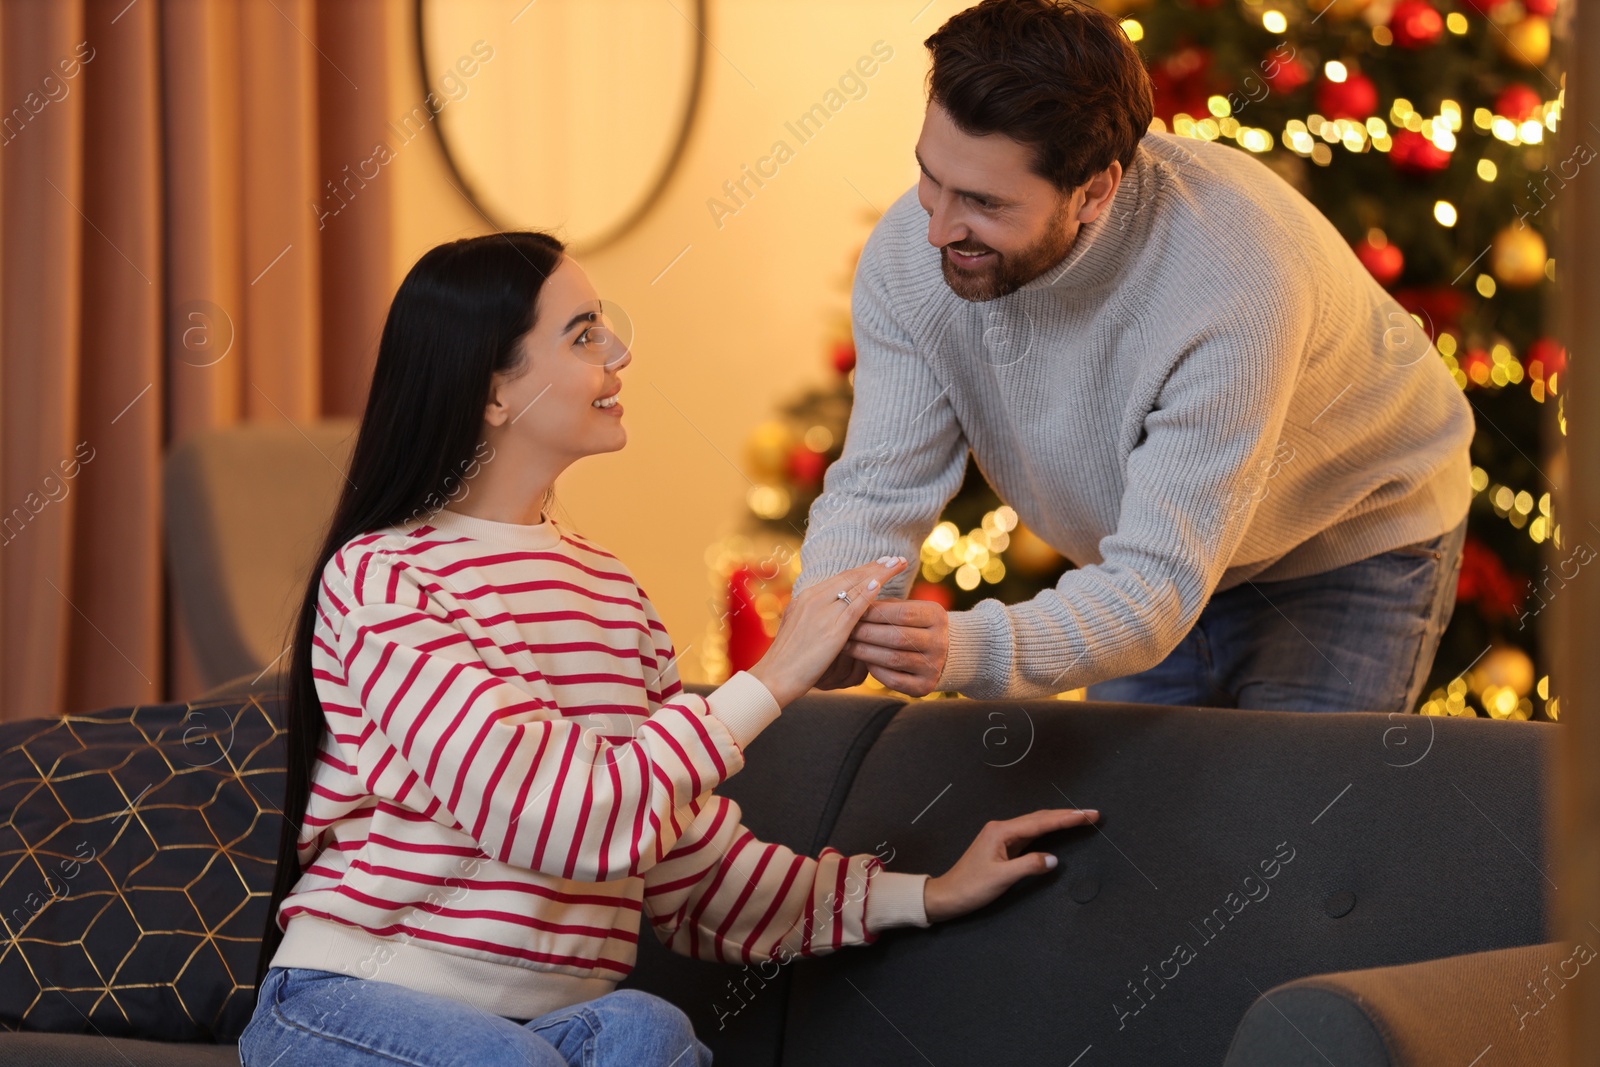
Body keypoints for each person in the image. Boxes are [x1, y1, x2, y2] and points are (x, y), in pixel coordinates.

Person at [239, 231, 1097, 1067]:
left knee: (645, 1029)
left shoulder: (611, 595)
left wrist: (924, 892)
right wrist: (771, 678)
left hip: (549, 1031)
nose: (618, 352)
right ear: (493, 391)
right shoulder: (385, 577)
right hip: (349, 1009)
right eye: (583, 334)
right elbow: (556, 816)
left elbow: (691, 876)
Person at [795, 0, 1473, 714]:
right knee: (1134, 821)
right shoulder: (910, 254)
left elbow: (1153, 591)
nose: (935, 228)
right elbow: (879, 487)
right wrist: (837, 610)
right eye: (931, 177)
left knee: (1289, 816)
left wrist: (959, 649)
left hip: (1348, 540)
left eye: (985, 203)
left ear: (1095, 191)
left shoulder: (1233, 283)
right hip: (1140, 560)